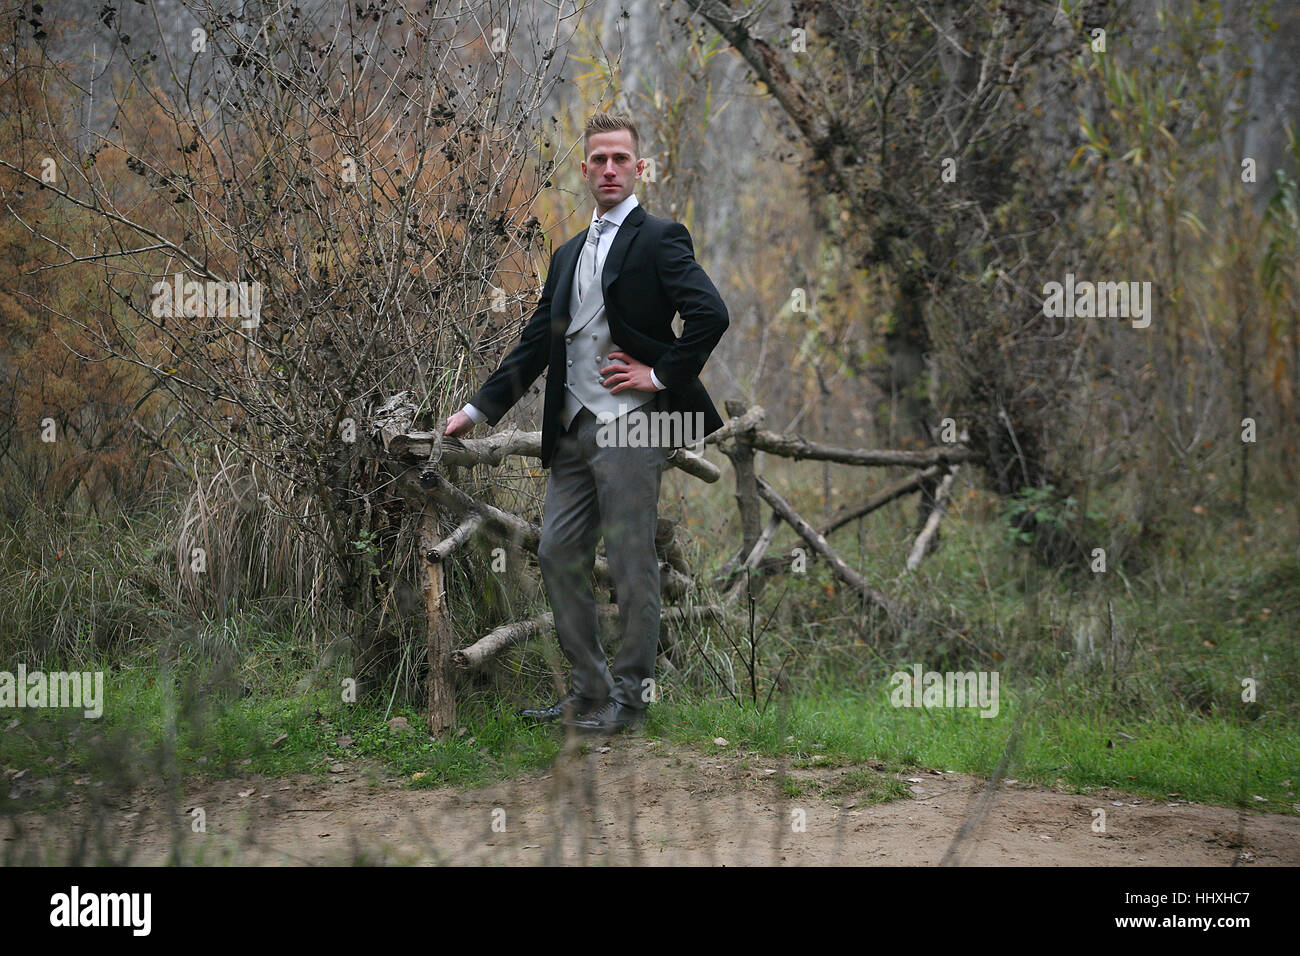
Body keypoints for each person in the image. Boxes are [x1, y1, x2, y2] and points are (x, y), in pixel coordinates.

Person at [444, 112, 729, 734]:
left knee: (631, 561)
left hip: (633, 427)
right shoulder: (568, 252)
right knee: (556, 552)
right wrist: (476, 409)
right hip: (571, 425)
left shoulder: (661, 238)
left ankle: (632, 699)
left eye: (620, 160)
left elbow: (710, 314)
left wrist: (658, 376)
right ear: (584, 169)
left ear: (639, 168)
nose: (608, 169)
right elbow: (535, 342)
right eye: (598, 160)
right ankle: (590, 691)